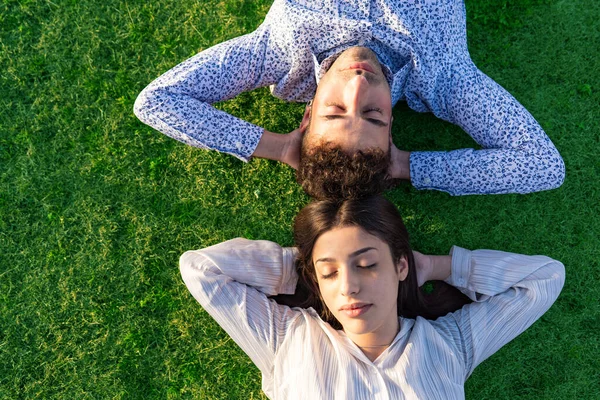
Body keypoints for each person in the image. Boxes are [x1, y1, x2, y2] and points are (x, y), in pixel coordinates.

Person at [134, 0, 565, 199]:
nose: (359, 85)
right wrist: (407, 165)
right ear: (393, 125)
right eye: (374, 114)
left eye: (336, 110)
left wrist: (279, 147)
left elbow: (158, 100)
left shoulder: (276, 55)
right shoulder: (446, 78)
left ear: (306, 116)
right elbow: (541, 164)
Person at [179, 196, 565, 398]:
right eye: (330, 272)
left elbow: (543, 278)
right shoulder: (286, 339)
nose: (347, 286)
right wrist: (298, 268)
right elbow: (202, 269)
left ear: (400, 267)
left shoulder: (452, 343)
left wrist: (433, 266)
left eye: (366, 265)